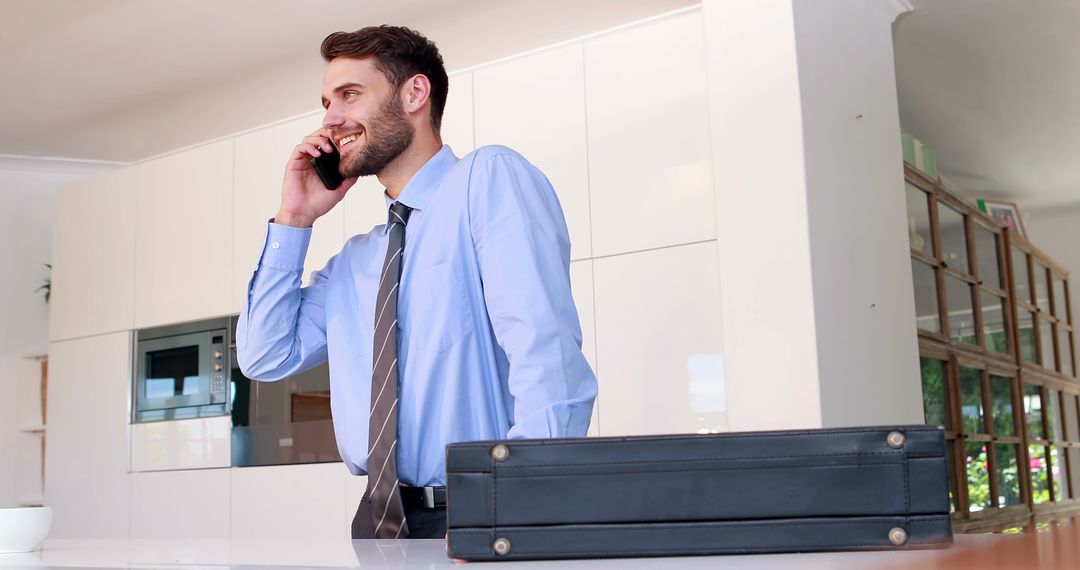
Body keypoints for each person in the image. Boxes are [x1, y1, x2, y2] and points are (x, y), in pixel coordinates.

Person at [236, 25, 598, 540]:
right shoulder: (356, 262)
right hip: (380, 522)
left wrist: (524, 505)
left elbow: (546, 354)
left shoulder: (486, 180)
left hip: (483, 509)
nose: (330, 119)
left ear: (414, 93)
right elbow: (264, 356)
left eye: (350, 95)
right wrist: (293, 219)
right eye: (326, 102)